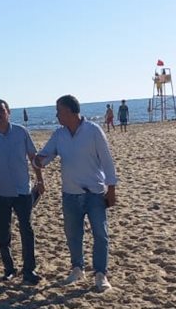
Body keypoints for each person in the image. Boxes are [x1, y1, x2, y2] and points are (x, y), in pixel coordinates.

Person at [34, 94, 118, 292]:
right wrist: (38, 160)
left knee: (100, 234)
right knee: (73, 235)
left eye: (59, 111)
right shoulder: (59, 134)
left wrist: (112, 188)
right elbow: (46, 156)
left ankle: (100, 274)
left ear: (70, 111)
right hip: (70, 194)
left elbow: (107, 160)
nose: (56, 115)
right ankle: (77, 269)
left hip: (95, 193)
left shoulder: (93, 131)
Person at [0, 98, 43, 285]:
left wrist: (40, 180)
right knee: (3, 233)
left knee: (27, 230)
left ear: (8, 112)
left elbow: (33, 157)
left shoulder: (21, 132)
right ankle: (9, 269)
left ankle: (29, 269)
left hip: (23, 190)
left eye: (1, 110)